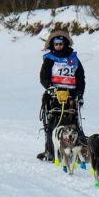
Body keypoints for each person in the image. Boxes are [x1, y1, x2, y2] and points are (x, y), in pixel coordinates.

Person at [37, 30, 86, 160]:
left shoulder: (74, 59)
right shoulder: (49, 59)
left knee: (74, 122)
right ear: (52, 45)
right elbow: (44, 76)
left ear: (65, 44)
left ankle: (80, 150)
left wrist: (80, 94)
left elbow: (80, 77)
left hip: (71, 95)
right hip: (54, 95)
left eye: (60, 43)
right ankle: (50, 151)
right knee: (51, 123)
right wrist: (49, 87)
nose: (58, 46)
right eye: (56, 44)